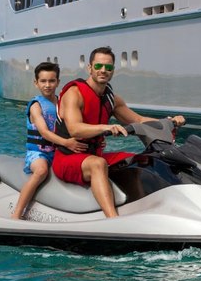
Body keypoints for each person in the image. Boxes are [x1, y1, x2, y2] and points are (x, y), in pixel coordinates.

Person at [53, 47, 186, 218]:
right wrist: (105, 127)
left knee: (137, 160)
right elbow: (75, 129)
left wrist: (169, 121)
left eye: (108, 67)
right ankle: (112, 219)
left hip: (93, 155)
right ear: (89, 67)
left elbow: (138, 120)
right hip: (67, 159)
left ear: (113, 70)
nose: (103, 70)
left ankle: (138, 212)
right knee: (98, 164)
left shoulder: (112, 99)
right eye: (99, 66)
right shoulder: (74, 93)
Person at [12, 62, 86, 220]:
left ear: (58, 82)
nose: (47, 85)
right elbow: (44, 132)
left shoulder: (63, 103)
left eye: (51, 81)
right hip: (38, 153)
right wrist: (67, 143)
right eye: (43, 81)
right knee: (41, 171)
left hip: (58, 152)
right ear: (36, 83)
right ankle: (17, 214)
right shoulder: (36, 106)